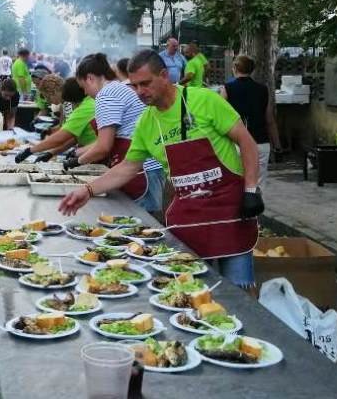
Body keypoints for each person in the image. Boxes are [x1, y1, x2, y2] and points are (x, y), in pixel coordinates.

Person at [59, 50, 264, 290]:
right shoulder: (146, 122)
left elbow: (246, 142)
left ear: (164, 75)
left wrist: (251, 189)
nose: (140, 92)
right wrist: (88, 190)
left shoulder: (204, 100)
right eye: (134, 86)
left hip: (231, 211)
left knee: (240, 292)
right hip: (189, 217)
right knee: (193, 292)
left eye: (145, 83)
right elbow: (127, 168)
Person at [65, 53, 165, 214]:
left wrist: (75, 162)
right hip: (150, 167)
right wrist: (76, 153)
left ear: (90, 78)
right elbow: (105, 141)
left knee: (138, 227)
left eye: (83, 87)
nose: (85, 93)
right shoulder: (118, 88)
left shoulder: (106, 96)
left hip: (142, 171)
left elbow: (103, 147)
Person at [224, 55, 280, 187]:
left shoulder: (227, 89)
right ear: (251, 70)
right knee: (258, 184)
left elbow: (220, 118)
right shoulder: (263, 90)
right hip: (260, 143)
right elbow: (270, 120)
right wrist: (277, 145)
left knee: (237, 183)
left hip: (236, 144)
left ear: (235, 68)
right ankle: (256, 206)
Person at [14, 77, 96, 163]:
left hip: (92, 153)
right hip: (87, 151)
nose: (48, 102)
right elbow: (73, 136)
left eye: (48, 97)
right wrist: (51, 153)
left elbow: (62, 137)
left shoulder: (84, 108)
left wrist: (30, 151)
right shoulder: (80, 103)